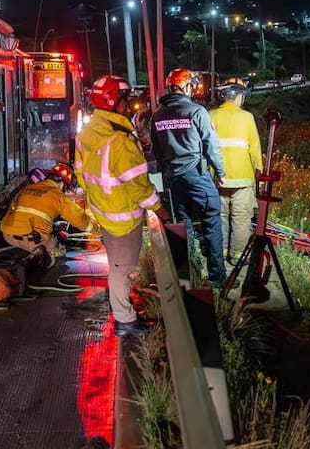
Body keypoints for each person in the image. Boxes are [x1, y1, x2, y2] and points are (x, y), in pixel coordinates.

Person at [75, 75, 170, 338]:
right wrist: (160, 209)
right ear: (114, 102)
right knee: (121, 270)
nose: (128, 105)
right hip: (123, 219)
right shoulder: (120, 140)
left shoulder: (87, 133)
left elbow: (82, 174)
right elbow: (138, 186)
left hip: (104, 213)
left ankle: (123, 313)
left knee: (116, 265)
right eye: (125, 100)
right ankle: (125, 321)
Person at [150, 68, 227, 285]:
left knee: (183, 224)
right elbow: (211, 146)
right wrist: (219, 172)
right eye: (191, 86)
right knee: (211, 219)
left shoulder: (158, 115)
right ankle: (217, 277)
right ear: (185, 86)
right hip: (196, 174)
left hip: (173, 178)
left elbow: (156, 149)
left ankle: (190, 274)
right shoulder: (197, 111)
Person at [208, 81, 263, 263]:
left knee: (220, 216)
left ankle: (220, 253)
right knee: (241, 218)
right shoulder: (246, 117)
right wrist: (260, 175)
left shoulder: (211, 115)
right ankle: (238, 257)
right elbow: (255, 148)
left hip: (218, 178)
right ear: (239, 97)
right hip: (242, 178)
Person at [0, 163, 96, 266]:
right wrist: (96, 229)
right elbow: (79, 219)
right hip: (31, 239)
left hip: (7, 235)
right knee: (60, 254)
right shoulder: (57, 195)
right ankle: (37, 261)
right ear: (61, 184)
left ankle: (27, 253)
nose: (65, 192)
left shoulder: (27, 189)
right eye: (65, 189)